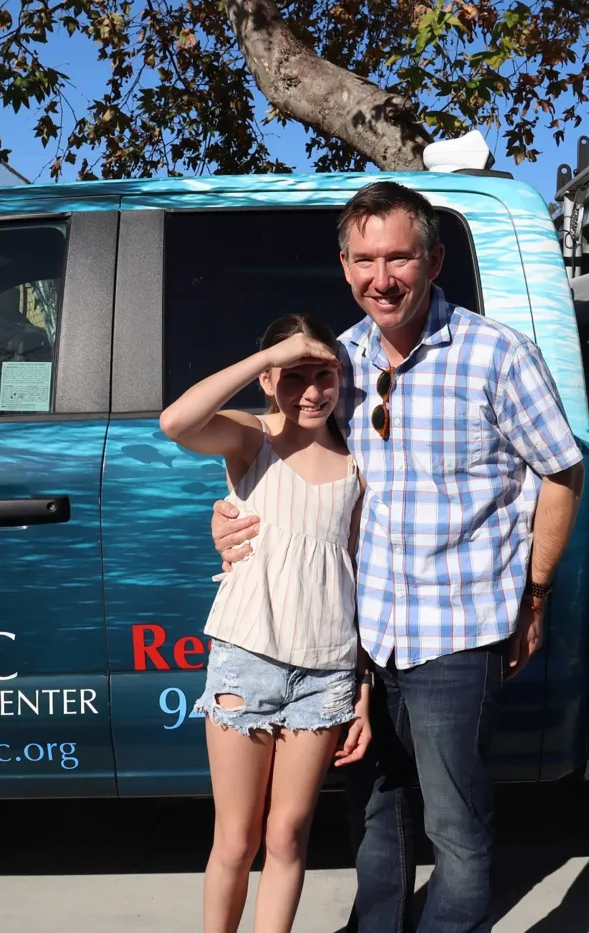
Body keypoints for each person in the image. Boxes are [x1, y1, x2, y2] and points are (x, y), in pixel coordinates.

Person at [210, 182, 585, 933]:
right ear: (346, 267)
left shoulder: (497, 353)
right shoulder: (334, 363)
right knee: (378, 823)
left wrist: (534, 595)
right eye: (365, 259)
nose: (382, 277)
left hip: (458, 633)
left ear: (434, 259)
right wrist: (229, 517)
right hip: (361, 640)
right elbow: (278, 465)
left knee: (455, 829)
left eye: (400, 258)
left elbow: (561, 470)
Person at [159, 313, 372, 933]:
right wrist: (269, 355)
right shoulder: (253, 438)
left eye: (324, 374)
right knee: (236, 837)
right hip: (247, 655)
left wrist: (359, 685)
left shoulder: (360, 458)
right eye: (294, 376)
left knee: (287, 834)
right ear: (268, 379)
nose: (311, 390)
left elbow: (358, 571)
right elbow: (177, 422)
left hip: (327, 669)